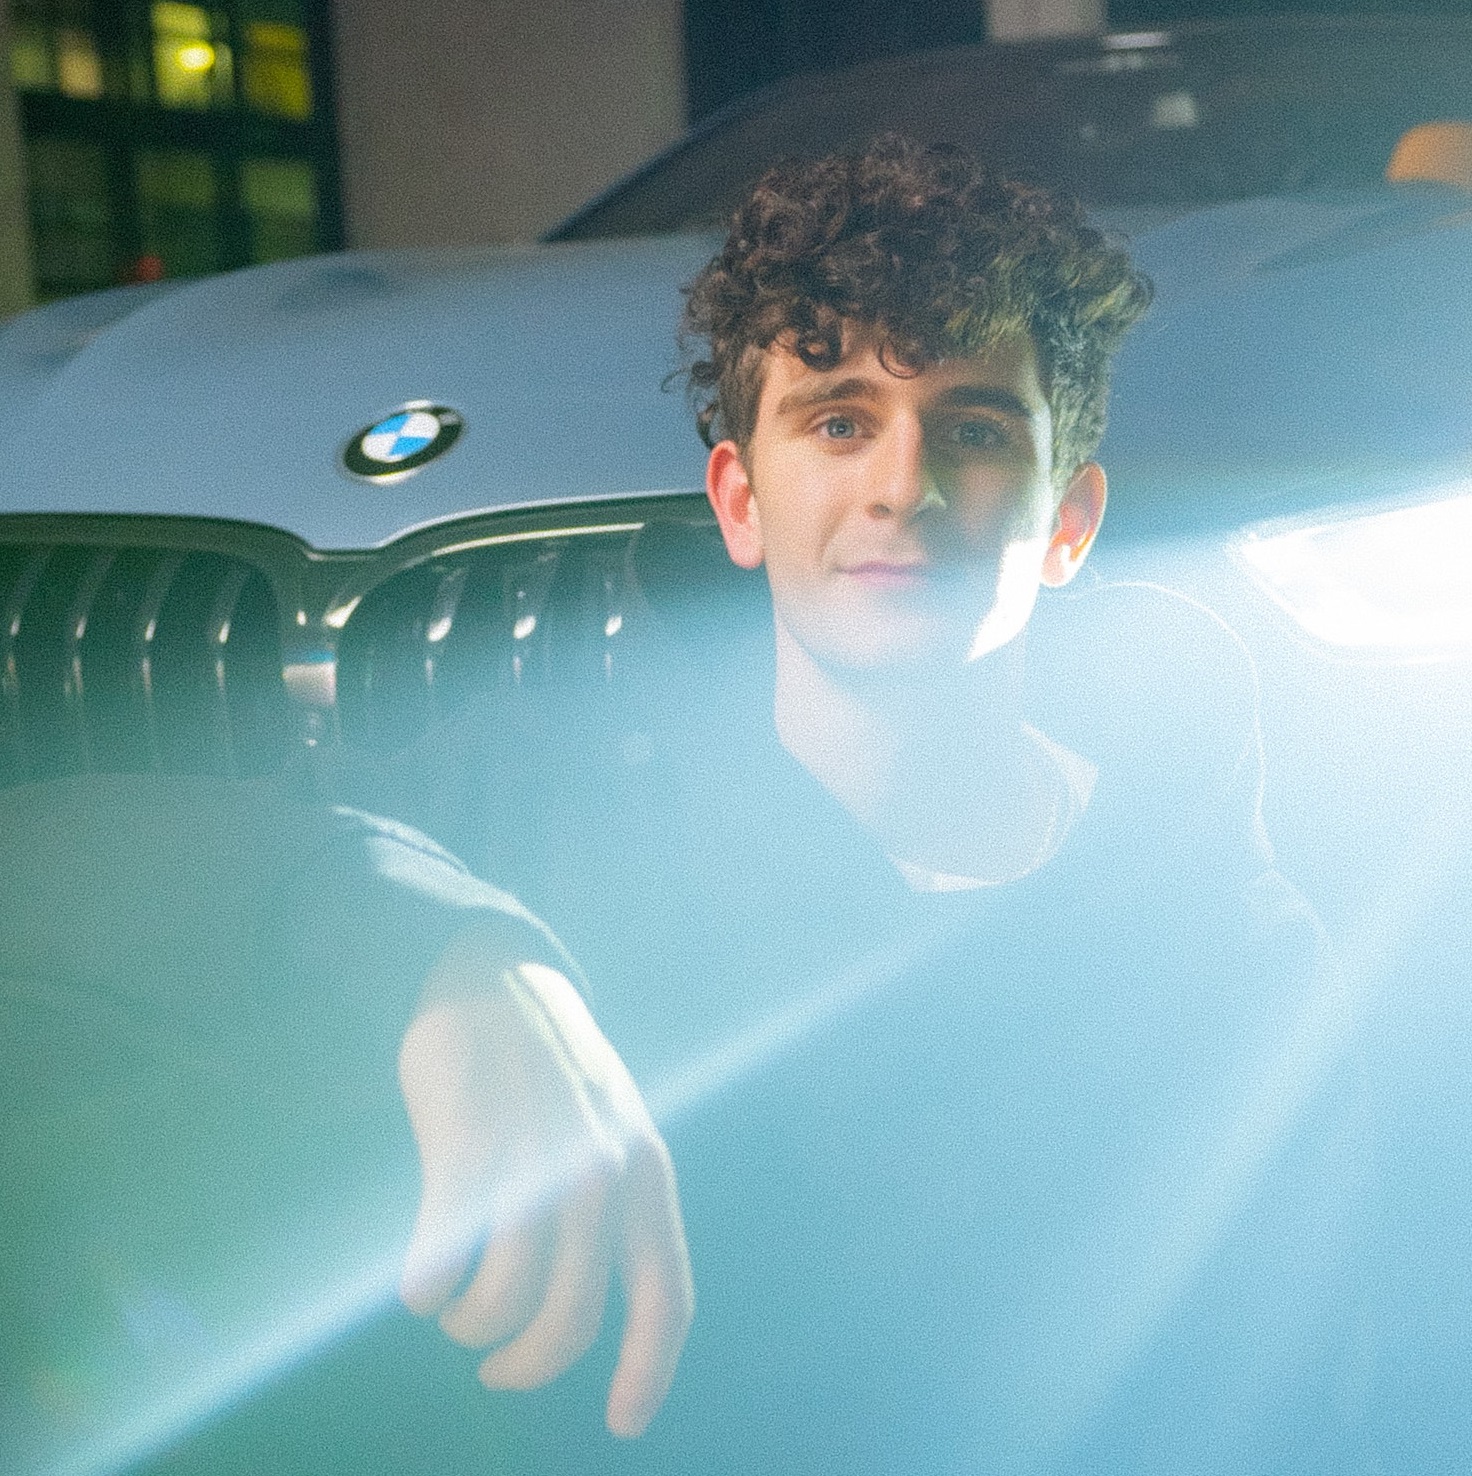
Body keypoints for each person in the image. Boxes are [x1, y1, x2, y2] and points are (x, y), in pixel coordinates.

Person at [1, 138, 1357, 1473]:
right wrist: (448, 952)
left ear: (1070, 523)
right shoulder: (545, 811)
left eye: (976, 431)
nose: (902, 486)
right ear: (739, 501)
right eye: (837, 422)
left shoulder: (1233, 949)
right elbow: (61, 861)